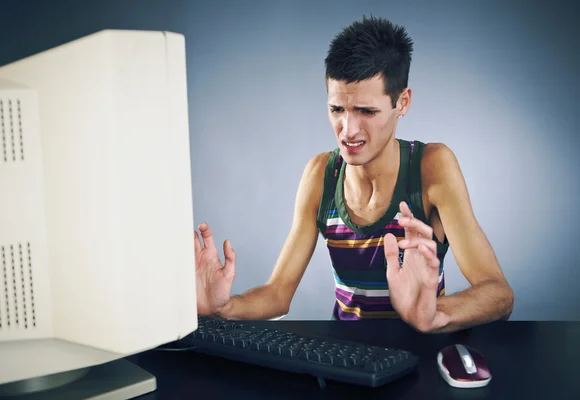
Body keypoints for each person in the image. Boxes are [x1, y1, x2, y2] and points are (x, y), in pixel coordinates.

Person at [193, 16, 514, 333]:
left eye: (366, 111)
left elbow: (498, 292)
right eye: (337, 109)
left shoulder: (431, 166)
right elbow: (278, 293)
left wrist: (434, 314)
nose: (348, 131)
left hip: (422, 359)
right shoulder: (321, 174)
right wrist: (225, 307)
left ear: (402, 102)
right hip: (348, 358)